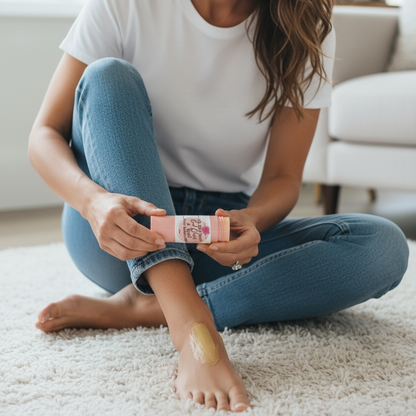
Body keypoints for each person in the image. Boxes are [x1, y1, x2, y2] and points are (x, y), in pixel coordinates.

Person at [28, 0, 409, 412]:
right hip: (120, 234)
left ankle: (146, 305)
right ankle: (190, 322)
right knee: (107, 76)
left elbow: (283, 177)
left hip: (215, 239)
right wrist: (92, 201)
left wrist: (254, 219)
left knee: (382, 246)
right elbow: (45, 133)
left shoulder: (304, 26)